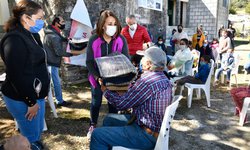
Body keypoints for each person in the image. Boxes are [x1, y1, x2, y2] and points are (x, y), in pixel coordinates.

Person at [90, 47, 172, 150]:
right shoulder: (165, 79)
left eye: (143, 58)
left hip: (145, 136)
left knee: (97, 135)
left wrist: (105, 90)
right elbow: (136, 96)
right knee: (109, 119)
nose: (141, 60)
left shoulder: (147, 81)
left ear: (148, 64)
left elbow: (120, 104)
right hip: (153, 130)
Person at [0, 0, 50, 149]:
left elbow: (37, 66)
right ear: (26, 18)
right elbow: (17, 76)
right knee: (30, 138)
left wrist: (43, 91)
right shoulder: (14, 40)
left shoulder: (33, 35)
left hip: (36, 95)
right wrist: (31, 101)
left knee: (36, 132)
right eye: (39, 18)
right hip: (22, 98)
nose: (42, 22)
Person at [86, 10, 129, 139]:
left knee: (113, 104)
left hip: (115, 79)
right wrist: (98, 78)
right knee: (96, 102)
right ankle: (93, 125)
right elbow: (89, 62)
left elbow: (126, 59)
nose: (112, 26)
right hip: (96, 78)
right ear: (102, 25)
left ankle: (113, 128)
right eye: (109, 23)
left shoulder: (121, 39)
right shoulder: (94, 39)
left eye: (114, 23)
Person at [43, 16, 73, 107]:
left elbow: (59, 38)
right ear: (57, 23)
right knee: (56, 82)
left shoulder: (52, 31)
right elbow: (59, 52)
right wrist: (72, 54)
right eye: (62, 21)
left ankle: (50, 98)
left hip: (50, 60)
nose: (64, 23)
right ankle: (59, 101)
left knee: (53, 81)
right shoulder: (54, 35)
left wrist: (65, 39)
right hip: (51, 62)